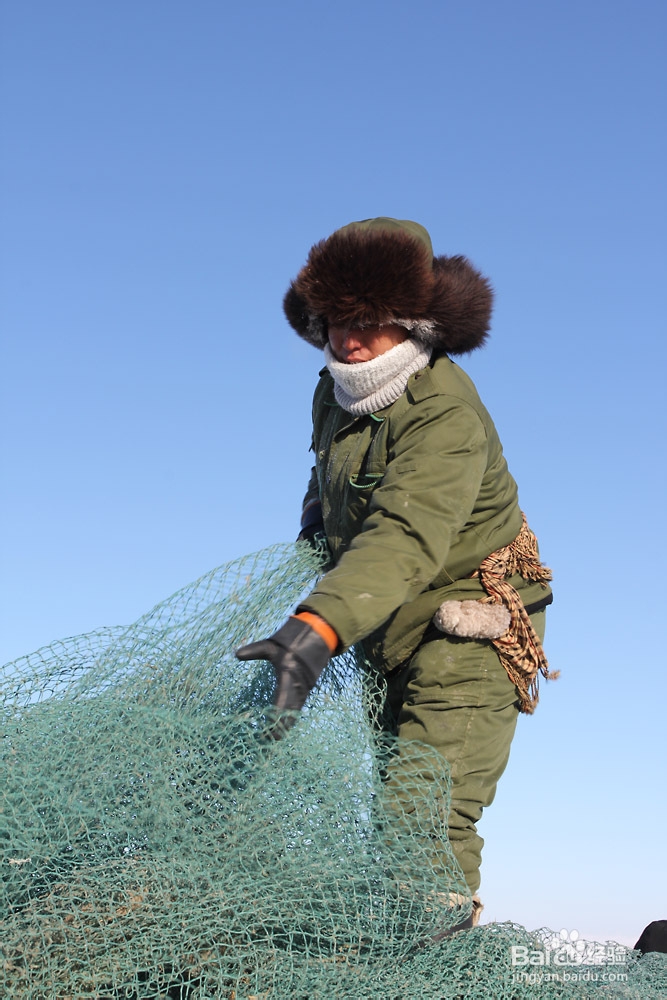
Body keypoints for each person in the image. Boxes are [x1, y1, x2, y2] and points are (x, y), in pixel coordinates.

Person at [236, 217, 555, 929]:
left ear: (410, 322)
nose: (347, 338)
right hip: (387, 620)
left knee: (423, 812)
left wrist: (315, 629)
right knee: (389, 807)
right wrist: (314, 519)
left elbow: (404, 534)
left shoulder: (443, 410)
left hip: (472, 622)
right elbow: (334, 480)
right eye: (330, 320)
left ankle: (436, 961)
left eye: (367, 321)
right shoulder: (335, 390)